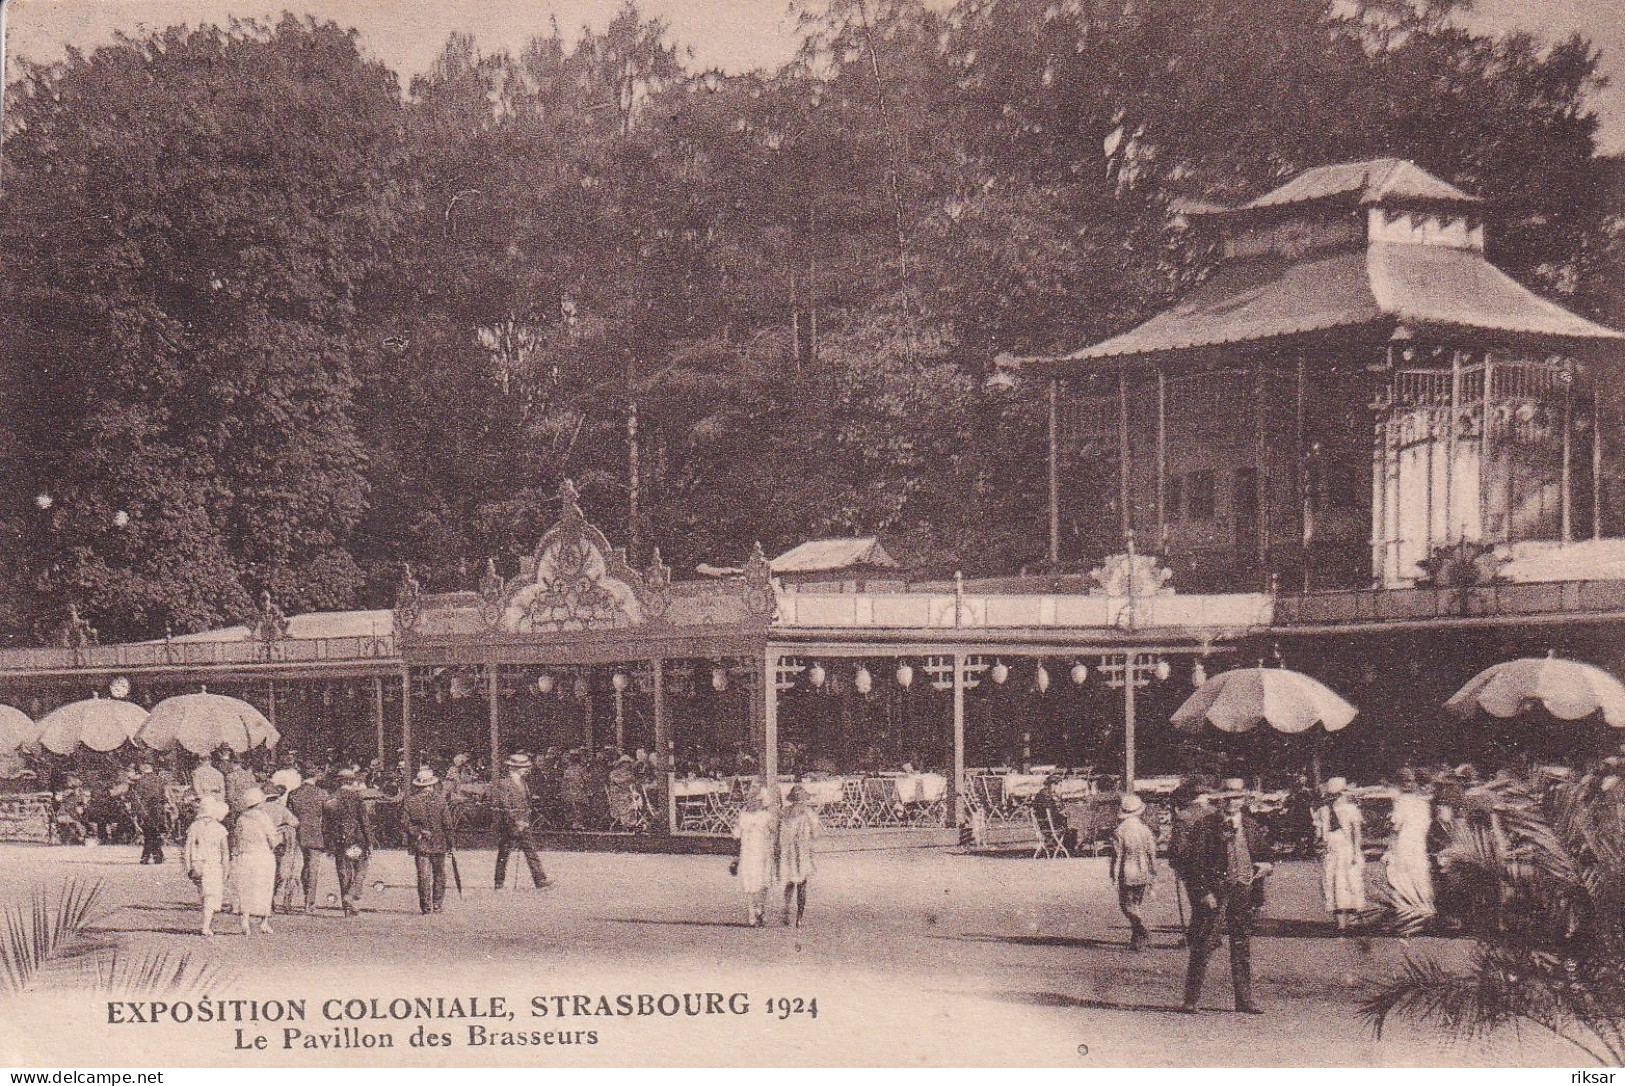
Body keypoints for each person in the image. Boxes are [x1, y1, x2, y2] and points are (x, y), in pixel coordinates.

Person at [1182, 780, 1271, 1014]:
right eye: (1228, 798)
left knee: (1241, 946)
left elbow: (1264, 855)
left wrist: (1265, 866)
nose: (1233, 802)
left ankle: (1244, 1000)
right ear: (1220, 800)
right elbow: (1194, 864)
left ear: (1244, 800)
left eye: (1237, 798)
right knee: (1204, 944)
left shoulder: (1251, 826)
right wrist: (1204, 892)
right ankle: (1190, 999)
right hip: (1217, 892)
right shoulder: (1206, 826)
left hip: (1244, 891)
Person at [1168, 775, 1220, 944]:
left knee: (1197, 900)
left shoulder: (1184, 816)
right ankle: (1211, 934)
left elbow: (1179, 846)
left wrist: (1175, 863)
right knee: (1214, 899)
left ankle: (1198, 936)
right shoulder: (1216, 813)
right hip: (1216, 864)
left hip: (1192, 864)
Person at [1384, 767, 1436, 929]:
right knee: (1419, 878)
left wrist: (1389, 848)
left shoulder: (1400, 804)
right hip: (1419, 844)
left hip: (1403, 844)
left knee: (1401, 880)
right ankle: (1423, 917)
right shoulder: (1423, 804)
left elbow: (1395, 827)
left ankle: (1406, 918)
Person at [491, 753, 549, 889]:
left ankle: (540, 880)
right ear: (514, 768)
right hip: (509, 824)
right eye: (522, 767)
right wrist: (516, 821)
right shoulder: (504, 784)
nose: (526, 769)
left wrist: (526, 819)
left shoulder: (523, 782)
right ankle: (499, 882)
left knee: (530, 850)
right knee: (504, 853)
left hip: (524, 823)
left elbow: (526, 802)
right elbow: (505, 805)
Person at [1315, 776, 1366, 931]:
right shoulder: (1351, 810)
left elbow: (1319, 836)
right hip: (1347, 849)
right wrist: (1358, 852)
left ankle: (1340, 922)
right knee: (1349, 882)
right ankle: (1351, 918)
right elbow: (1357, 835)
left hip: (1331, 850)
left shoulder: (1323, 810)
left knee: (1333, 881)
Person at [1110, 791, 1159, 951]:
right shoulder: (1145, 830)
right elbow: (1152, 853)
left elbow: (1117, 856)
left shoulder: (1119, 831)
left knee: (1126, 905)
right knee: (1136, 903)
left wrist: (1114, 876)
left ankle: (1141, 930)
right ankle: (1137, 937)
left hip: (1128, 871)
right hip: (1143, 870)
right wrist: (1153, 872)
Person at [402, 767, 454, 914]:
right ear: (432, 784)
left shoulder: (410, 801)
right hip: (439, 843)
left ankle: (426, 906)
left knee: (423, 875)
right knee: (439, 874)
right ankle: (437, 903)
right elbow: (448, 825)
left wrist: (417, 832)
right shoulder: (440, 800)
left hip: (421, 843)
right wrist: (451, 844)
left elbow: (405, 823)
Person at [325, 768, 373, 916]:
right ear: (352, 780)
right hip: (356, 840)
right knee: (361, 868)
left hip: (339, 840)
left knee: (344, 872)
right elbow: (364, 821)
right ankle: (351, 895)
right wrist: (369, 840)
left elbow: (326, 824)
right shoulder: (356, 797)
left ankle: (346, 908)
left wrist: (329, 844)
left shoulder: (331, 798)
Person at [233, 787, 280, 935]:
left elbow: (237, 839)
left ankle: (245, 920)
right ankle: (264, 921)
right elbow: (273, 840)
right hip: (263, 855)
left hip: (246, 855)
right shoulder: (264, 817)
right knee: (265, 888)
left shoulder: (241, 818)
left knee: (246, 888)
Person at [183, 796, 231, 938]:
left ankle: (206, 923)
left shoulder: (194, 826)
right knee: (211, 896)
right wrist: (226, 868)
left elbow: (187, 848)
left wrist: (188, 866)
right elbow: (225, 852)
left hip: (197, 864)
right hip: (213, 864)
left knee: (204, 895)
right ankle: (206, 926)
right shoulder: (220, 828)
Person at [284, 766, 329, 913]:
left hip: (297, 833)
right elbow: (328, 816)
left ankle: (288, 899)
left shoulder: (294, 794)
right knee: (313, 868)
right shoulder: (322, 794)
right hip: (316, 834)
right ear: (315, 776)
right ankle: (309, 902)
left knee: (296, 867)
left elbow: (288, 816)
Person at [778, 784, 821, 927]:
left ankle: (788, 909)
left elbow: (782, 834)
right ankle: (798, 917)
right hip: (800, 851)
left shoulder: (786, 812)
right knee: (800, 884)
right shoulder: (807, 813)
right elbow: (815, 833)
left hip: (793, 851)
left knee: (791, 882)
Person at [733, 788, 777, 927]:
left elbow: (773, 832)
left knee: (763, 882)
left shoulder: (766, 816)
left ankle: (760, 909)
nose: (752, 803)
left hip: (763, 852)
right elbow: (736, 835)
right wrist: (737, 825)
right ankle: (752, 912)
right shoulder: (743, 816)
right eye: (751, 800)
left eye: (756, 800)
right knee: (751, 882)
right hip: (749, 852)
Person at [265, 770, 302, 914]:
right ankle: (283, 901)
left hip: (264, 844)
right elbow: (295, 822)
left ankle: (269, 901)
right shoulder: (281, 808)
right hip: (280, 844)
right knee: (283, 872)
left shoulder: (260, 809)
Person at [132, 761, 172, 865]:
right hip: (157, 810)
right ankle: (157, 855)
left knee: (148, 834)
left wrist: (135, 812)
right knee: (155, 833)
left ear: (144, 767)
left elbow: (136, 798)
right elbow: (163, 797)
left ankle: (147, 856)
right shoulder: (159, 780)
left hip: (145, 810)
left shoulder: (140, 781)